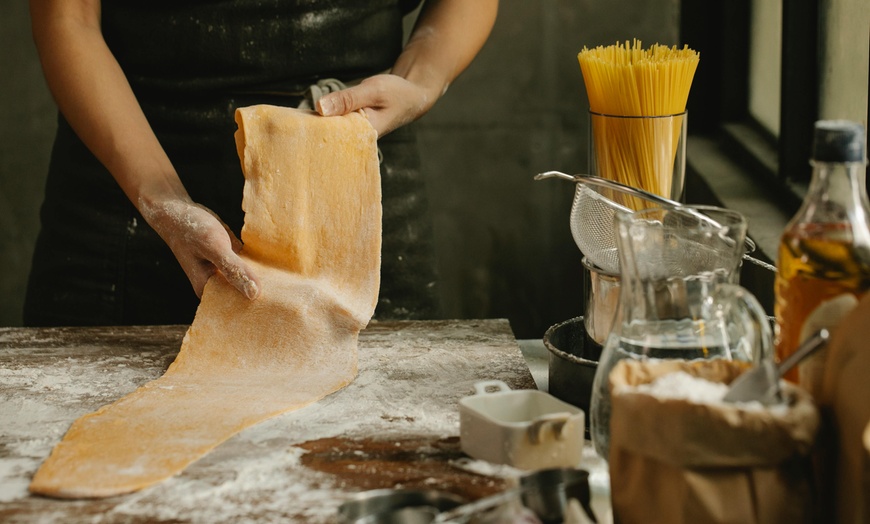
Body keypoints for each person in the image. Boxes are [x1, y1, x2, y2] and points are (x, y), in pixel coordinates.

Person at [24, 0, 499, 326]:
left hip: (354, 177)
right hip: (130, 186)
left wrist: (420, 79)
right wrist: (163, 200)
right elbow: (70, 23)